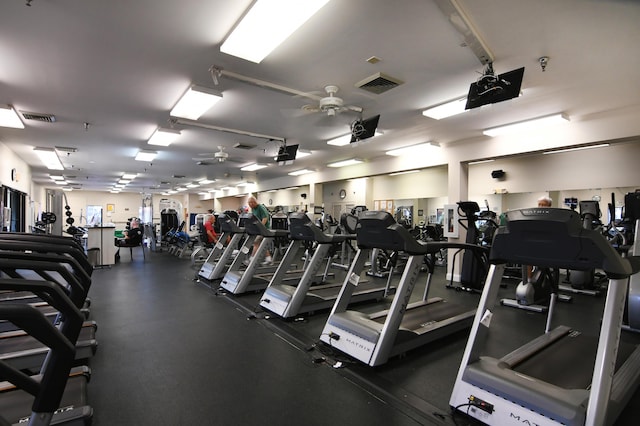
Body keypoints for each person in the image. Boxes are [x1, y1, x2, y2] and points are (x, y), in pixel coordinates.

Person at [247, 196, 272, 265]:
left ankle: (251, 259)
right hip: (258, 229)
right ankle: (268, 259)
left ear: (254, 202)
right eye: (249, 203)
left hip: (264, 229)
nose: (250, 204)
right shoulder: (253, 209)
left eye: (251, 203)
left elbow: (265, 218)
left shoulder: (260, 207)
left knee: (256, 242)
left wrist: (261, 228)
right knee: (261, 244)